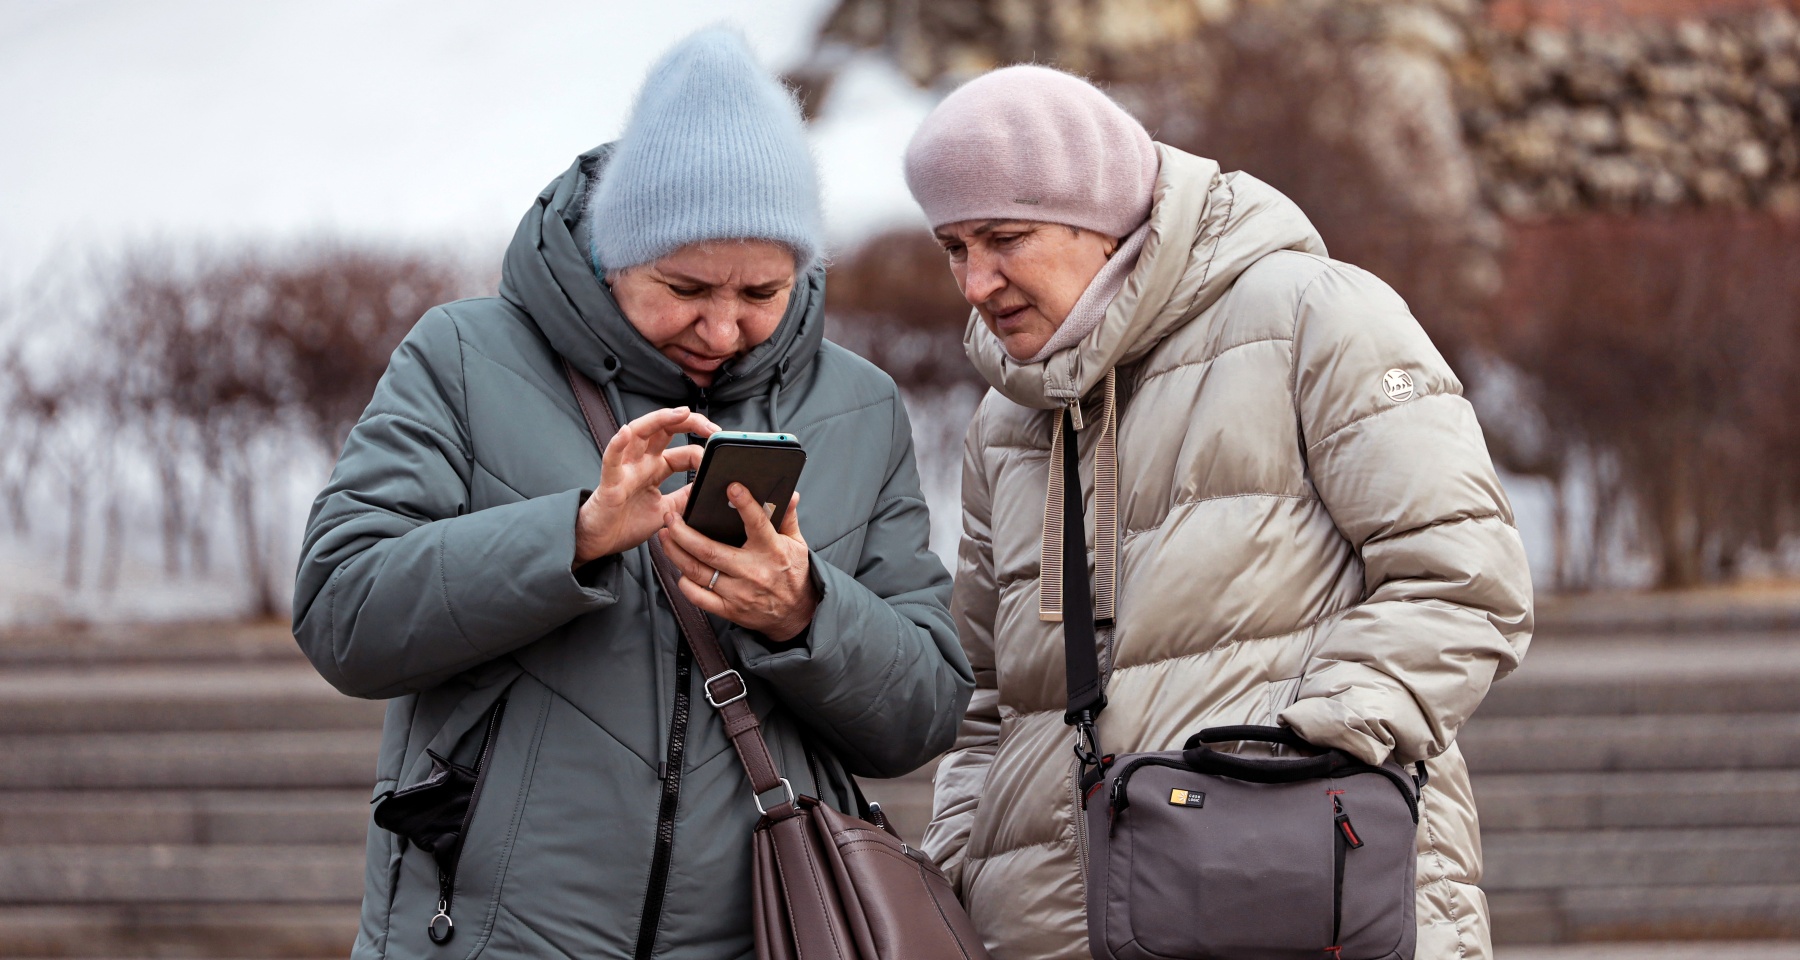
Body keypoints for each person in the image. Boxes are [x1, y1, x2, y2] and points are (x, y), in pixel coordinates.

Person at [293, 29, 972, 960]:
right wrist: (572, 536)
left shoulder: (860, 407)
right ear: (616, 251)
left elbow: (926, 711)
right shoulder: (462, 358)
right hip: (490, 936)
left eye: (763, 291)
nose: (724, 326)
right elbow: (341, 613)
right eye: (684, 286)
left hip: (763, 935)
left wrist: (805, 613)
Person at [904, 66, 1533, 960]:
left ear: (1104, 216)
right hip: (1047, 928)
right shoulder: (1006, 419)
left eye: (1004, 237)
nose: (974, 282)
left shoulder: (1315, 316)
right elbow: (988, 696)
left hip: (1298, 892)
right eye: (954, 248)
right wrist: (968, 850)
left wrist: (1298, 754)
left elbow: (1465, 582)